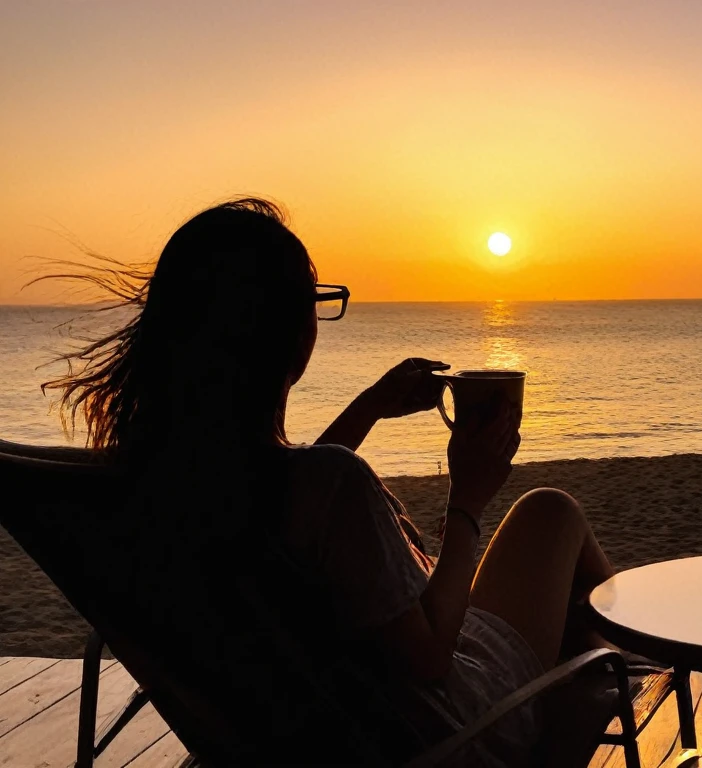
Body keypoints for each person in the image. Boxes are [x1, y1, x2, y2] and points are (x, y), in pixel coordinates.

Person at [44, 198, 613, 765]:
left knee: (555, 545)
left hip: (287, 729)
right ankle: (621, 685)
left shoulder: (164, 481)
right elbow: (432, 657)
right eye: (316, 298)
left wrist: (368, 407)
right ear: (289, 330)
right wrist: (468, 496)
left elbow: (289, 496)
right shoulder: (330, 485)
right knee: (554, 521)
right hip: (450, 728)